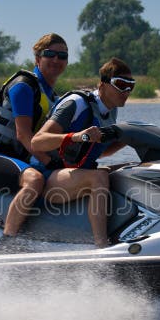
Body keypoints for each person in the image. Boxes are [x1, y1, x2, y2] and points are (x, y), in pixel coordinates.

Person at [31, 57, 135, 248]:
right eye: (121, 85)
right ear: (103, 84)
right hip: (48, 176)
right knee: (99, 178)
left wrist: (128, 140)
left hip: (75, 172)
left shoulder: (111, 111)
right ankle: (101, 246)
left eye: (131, 86)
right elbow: (37, 142)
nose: (126, 91)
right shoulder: (76, 104)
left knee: (130, 168)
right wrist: (77, 136)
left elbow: (98, 154)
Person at [0, 33, 68, 245]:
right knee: (35, 180)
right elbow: (24, 135)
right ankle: (7, 243)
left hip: (21, 159)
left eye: (62, 56)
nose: (56, 59)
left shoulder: (53, 96)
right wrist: (49, 162)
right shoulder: (24, 86)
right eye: (50, 54)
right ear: (37, 58)